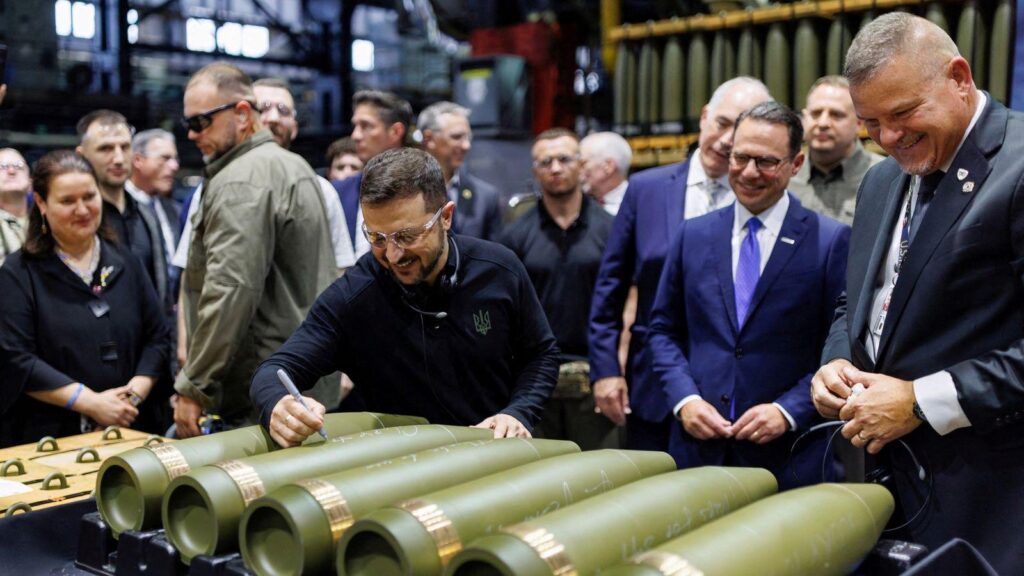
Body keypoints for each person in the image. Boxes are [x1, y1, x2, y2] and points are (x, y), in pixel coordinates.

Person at [810, 14, 1024, 573]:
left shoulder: (1019, 165)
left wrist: (920, 401)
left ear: (959, 78)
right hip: (883, 489)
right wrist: (836, 360)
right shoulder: (882, 179)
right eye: (870, 123)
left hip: (993, 500)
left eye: (903, 114)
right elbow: (858, 301)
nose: (887, 139)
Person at [250, 148, 559, 448]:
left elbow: (541, 354)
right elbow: (273, 371)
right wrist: (278, 404)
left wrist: (517, 412)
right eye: (377, 238)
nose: (394, 255)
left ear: (446, 217)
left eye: (407, 236)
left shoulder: (499, 270)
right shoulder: (354, 297)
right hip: (404, 466)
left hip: (499, 452)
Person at [648, 101, 849, 486]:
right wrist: (685, 400)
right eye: (740, 158)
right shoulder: (694, 234)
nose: (749, 172)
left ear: (796, 163)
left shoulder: (829, 241)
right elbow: (662, 330)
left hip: (789, 457)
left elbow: (839, 347)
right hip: (698, 452)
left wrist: (788, 410)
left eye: (766, 161)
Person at [588, 77, 771, 452]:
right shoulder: (646, 190)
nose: (726, 140)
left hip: (737, 392)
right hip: (653, 387)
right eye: (722, 123)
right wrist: (605, 371)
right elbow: (610, 289)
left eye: (739, 132)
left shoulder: (765, 198)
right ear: (704, 117)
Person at [174, 62, 336, 437]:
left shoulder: (241, 181)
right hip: (301, 380)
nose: (193, 134)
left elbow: (231, 289)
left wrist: (194, 384)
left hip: (262, 392)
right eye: (188, 123)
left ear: (243, 114)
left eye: (201, 122)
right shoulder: (294, 166)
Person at [0, 150, 168, 444]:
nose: (82, 209)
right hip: (51, 437)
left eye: (89, 197)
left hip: (134, 426)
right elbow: (16, 358)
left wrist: (129, 399)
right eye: (67, 201)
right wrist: (91, 404)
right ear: (41, 203)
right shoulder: (18, 273)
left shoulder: (126, 262)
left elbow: (158, 338)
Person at [501, 129, 618, 450]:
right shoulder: (514, 236)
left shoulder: (612, 228)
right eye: (545, 161)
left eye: (564, 159)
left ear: (581, 165)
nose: (555, 168)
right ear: (534, 171)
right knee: (540, 471)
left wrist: (617, 369)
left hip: (597, 374)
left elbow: (628, 302)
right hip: (534, 378)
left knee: (599, 471)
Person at [253, 77, 356, 273]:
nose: (273, 117)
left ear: (294, 128)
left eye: (283, 110)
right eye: (263, 108)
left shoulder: (322, 191)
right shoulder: (218, 185)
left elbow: (340, 269)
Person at [76, 110, 170, 310]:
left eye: (125, 147)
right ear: (82, 155)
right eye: (105, 148)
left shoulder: (147, 216)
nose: (118, 158)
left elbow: (161, 292)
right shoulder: (77, 219)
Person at [788, 76, 883, 224]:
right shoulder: (786, 177)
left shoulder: (885, 178)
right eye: (816, 113)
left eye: (836, 115)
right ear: (804, 120)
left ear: (859, 124)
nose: (823, 123)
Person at [333, 90, 413, 259]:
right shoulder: (337, 192)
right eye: (355, 126)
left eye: (366, 126)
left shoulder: (423, 193)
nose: (355, 135)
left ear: (396, 131)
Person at [419, 101, 503, 241]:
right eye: (457, 137)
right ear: (429, 139)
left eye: (468, 137)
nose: (466, 145)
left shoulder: (486, 197)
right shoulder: (405, 192)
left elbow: (495, 251)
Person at [126, 129, 181, 289]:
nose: (174, 166)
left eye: (175, 159)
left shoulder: (175, 211)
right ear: (138, 160)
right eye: (165, 158)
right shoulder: (119, 209)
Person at [579, 131, 632, 215]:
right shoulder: (579, 205)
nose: (578, 170)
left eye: (583, 163)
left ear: (608, 166)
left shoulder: (638, 205)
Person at [0, 148, 30, 264]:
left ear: (30, 181)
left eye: (19, 166)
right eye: (2, 167)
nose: (12, 171)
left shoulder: (46, 220)